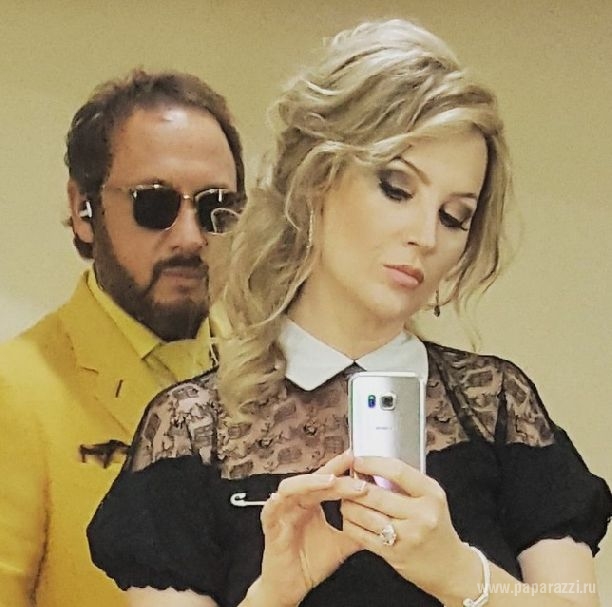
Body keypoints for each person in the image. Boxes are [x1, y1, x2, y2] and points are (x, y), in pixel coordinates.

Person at [87, 20, 612, 607]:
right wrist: (275, 593)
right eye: (397, 188)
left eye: (454, 216)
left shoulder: (495, 408)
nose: (425, 236)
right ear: (316, 179)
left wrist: (463, 576)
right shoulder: (191, 432)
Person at [0, 69, 245, 607]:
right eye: (154, 204)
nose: (190, 237)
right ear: (83, 210)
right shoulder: (15, 392)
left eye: (215, 208)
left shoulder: (272, 374)